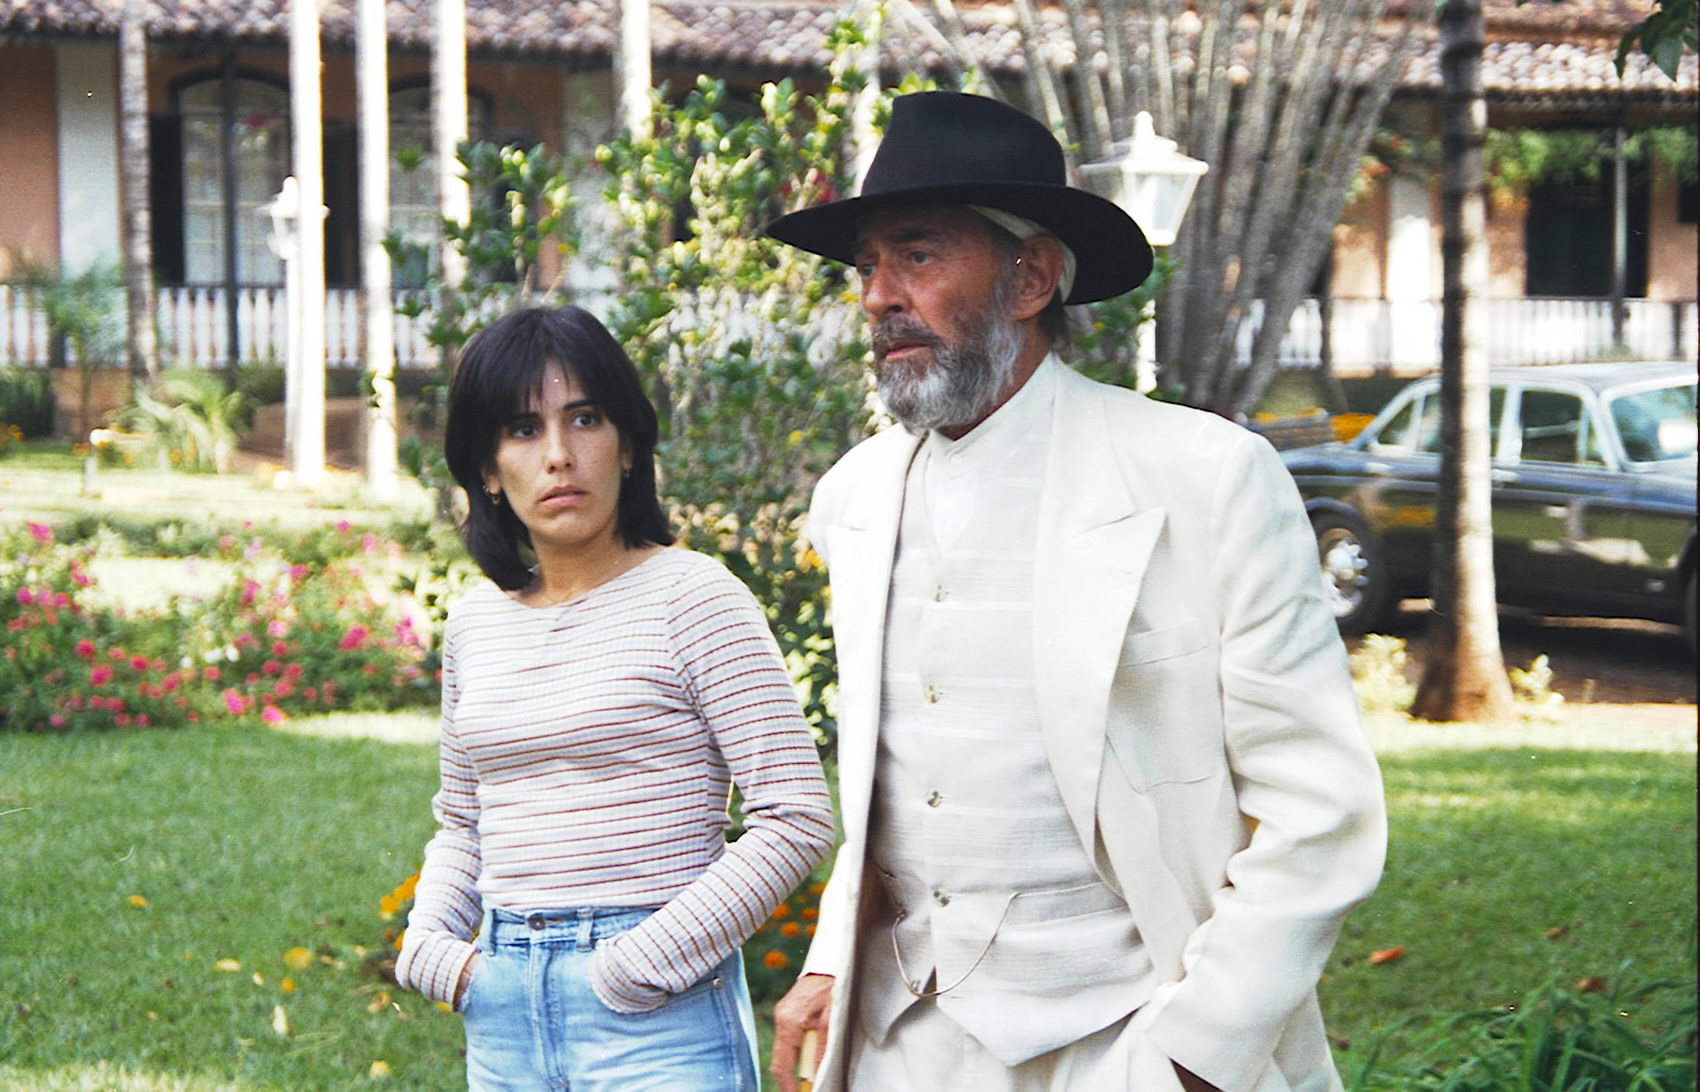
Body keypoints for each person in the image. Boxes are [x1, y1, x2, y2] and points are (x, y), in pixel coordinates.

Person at [763, 91, 1386, 1092]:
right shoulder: (852, 499)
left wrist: (1195, 1054)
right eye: (866, 265)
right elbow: (890, 788)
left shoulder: (1204, 477)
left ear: (1031, 277)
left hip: (1123, 1037)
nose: (878, 294)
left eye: (916, 255)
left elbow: (1321, 812)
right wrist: (835, 956)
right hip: (894, 1045)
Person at [393, 305, 834, 1091]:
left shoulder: (694, 598)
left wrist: (636, 966)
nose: (560, 456)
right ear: (488, 470)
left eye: (585, 419)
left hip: (657, 1021)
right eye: (524, 430)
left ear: (627, 446)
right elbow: (465, 819)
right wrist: (431, 947)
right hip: (500, 1011)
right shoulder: (475, 623)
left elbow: (795, 815)